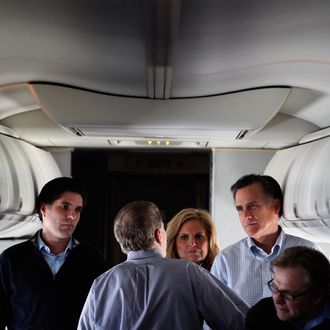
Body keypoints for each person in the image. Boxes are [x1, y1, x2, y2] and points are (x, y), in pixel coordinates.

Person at [78, 200, 248, 330]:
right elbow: (238, 322)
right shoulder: (189, 272)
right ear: (159, 234)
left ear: (120, 241)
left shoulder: (100, 285)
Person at [0, 177, 108, 330]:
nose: (72, 216)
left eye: (78, 210)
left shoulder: (91, 259)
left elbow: (105, 315)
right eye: (65, 207)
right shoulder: (12, 259)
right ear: (44, 209)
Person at [211, 174, 318, 307]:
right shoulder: (225, 260)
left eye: (253, 206)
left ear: (276, 207)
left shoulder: (307, 251)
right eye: (240, 209)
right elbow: (214, 315)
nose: (246, 216)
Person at [245, 246, 330, 330]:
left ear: (316, 296)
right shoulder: (260, 315)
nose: (278, 300)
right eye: (274, 288)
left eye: (287, 294)